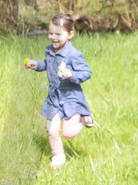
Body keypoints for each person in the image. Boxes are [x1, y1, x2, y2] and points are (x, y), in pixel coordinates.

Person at [25, 13, 95, 170]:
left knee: (68, 133)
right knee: (52, 129)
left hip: (71, 99)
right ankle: (58, 156)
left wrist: (72, 74)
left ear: (70, 34)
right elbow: (48, 64)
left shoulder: (74, 55)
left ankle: (84, 118)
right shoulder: (50, 50)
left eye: (58, 34)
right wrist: (36, 64)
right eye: (50, 33)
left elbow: (86, 72)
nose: (53, 37)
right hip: (54, 98)